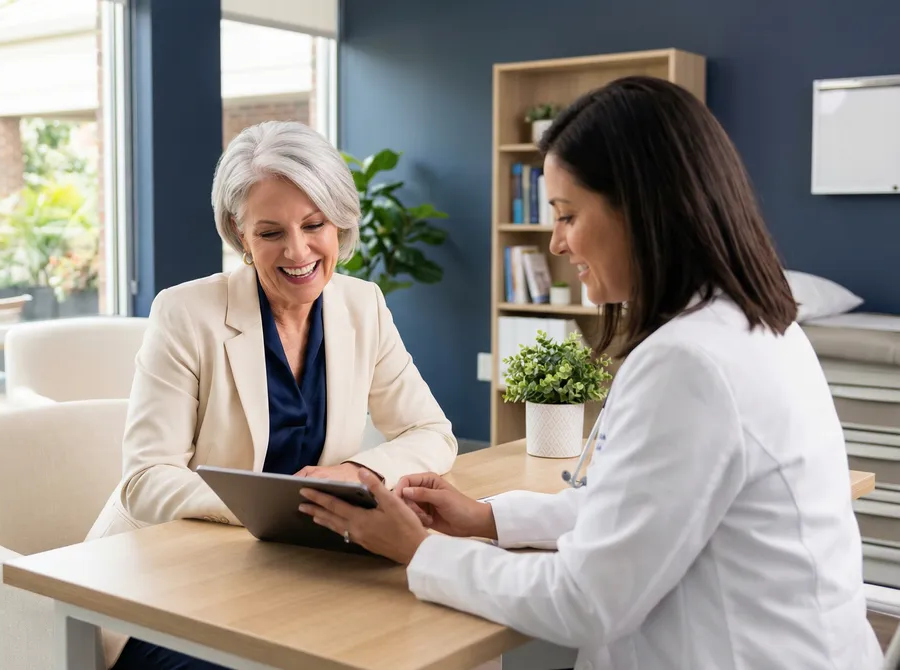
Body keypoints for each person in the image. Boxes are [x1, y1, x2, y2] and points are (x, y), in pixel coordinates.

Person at [298, 76, 883, 669]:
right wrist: (487, 517)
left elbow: (586, 601)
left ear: (644, 211)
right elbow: (631, 511)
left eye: (567, 215)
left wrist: (419, 550)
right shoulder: (758, 327)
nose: (556, 243)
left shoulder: (690, 363)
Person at [89, 120, 458, 669]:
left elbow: (430, 432)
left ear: (339, 223)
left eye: (314, 225)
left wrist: (356, 472)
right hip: (168, 585)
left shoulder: (363, 306)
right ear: (240, 236)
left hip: (299, 574)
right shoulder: (185, 313)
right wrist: (271, 505)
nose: (298, 250)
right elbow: (145, 480)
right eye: (270, 233)